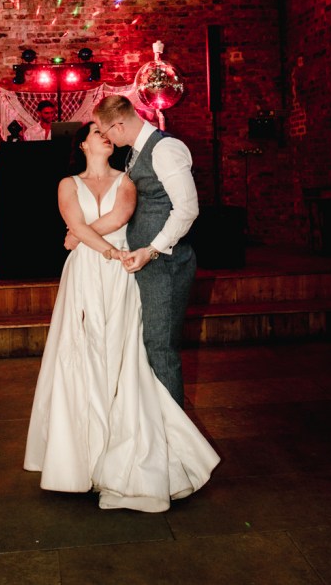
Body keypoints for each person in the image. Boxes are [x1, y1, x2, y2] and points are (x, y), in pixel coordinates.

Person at [24, 122, 219, 512]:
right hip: (85, 273)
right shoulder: (68, 183)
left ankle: (123, 451)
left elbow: (119, 217)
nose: (104, 134)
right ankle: (83, 457)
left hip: (120, 270)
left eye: (106, 128)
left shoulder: (126, 180)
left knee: (121, 352)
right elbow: (74, 221)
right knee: (83, 353)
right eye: (95, 131)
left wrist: (84, 239)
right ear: (82, 144)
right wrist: (86, 239)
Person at [92, 95, 198, 407]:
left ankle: (174, 436)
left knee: (160, 346)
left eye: (106, 130)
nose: (106, 137)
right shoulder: (137, 151)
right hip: (148, 263)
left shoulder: (165, 149)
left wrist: (151, 250)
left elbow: (187, 209)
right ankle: (158, 426)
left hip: (166, 263)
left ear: (120, 124)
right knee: (150, 344)